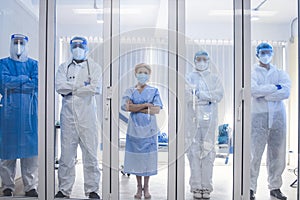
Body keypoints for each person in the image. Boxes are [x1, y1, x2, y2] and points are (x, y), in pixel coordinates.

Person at [55, 36, 102, 199]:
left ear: (86, 48)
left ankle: (92, 190)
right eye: (74, 46)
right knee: (67, 155)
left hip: (87, 117)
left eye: (80, 46)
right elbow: (59, 87)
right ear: (70, 48)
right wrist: (82, 86)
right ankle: (63, 189)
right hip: (68, 118)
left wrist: (72, 89)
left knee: (90, 154)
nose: (77, 49)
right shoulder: (63, 67)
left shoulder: (94, 67)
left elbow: (95, 89)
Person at [250, 42, 290, 200]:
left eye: (268, 52)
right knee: (254, 154)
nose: (266, 55)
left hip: (278, 118)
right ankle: (250, 188)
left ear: (272, 54)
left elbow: (286, 91)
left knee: (277, 154)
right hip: (258, 118)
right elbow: (253, 90)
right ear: (257, 54)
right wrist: (275, 87)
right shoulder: (252, 72)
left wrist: (264, 91)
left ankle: (275, 188)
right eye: (263, 52)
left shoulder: (280, 73)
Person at [0, 34, 38, 197]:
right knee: (7, 151)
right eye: (15, 42)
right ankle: (8, 185)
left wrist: (14, 82)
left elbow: (35, 84)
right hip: (9, 113)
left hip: (29, 112)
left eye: (21, 43)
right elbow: (3, 83)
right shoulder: (3, 63)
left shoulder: (34, 65)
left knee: (30, 152)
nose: (18, 45)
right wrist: (24, 79)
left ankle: (30, 186)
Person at [185, 50, 224, 199]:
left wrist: (200, 95)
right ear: (194, 61)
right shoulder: (188, 77)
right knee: (193, 153)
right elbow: (187, 96)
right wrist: (208, 98)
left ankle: (206, 187)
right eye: (198, 59)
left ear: (208, 61)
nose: (201, 62)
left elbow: (218, 95)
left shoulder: (214, 78)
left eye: (204, 59)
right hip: (193, 120)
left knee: (208, 153)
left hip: (210, 121)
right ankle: (196, 187)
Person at [121, 63, 163, 199]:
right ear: (135, 74)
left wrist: (136, 106)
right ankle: (139, 187)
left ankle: (147, 187)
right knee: (136, 159)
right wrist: (145, 105)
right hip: (134, 129)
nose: (142, 75)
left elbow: (156, 109)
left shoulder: (154, 91)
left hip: (149, 129)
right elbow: (126, 108)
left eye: (145, 72)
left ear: (149, 75)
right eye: (140, 72)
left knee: (147, 159)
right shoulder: (129, 91)